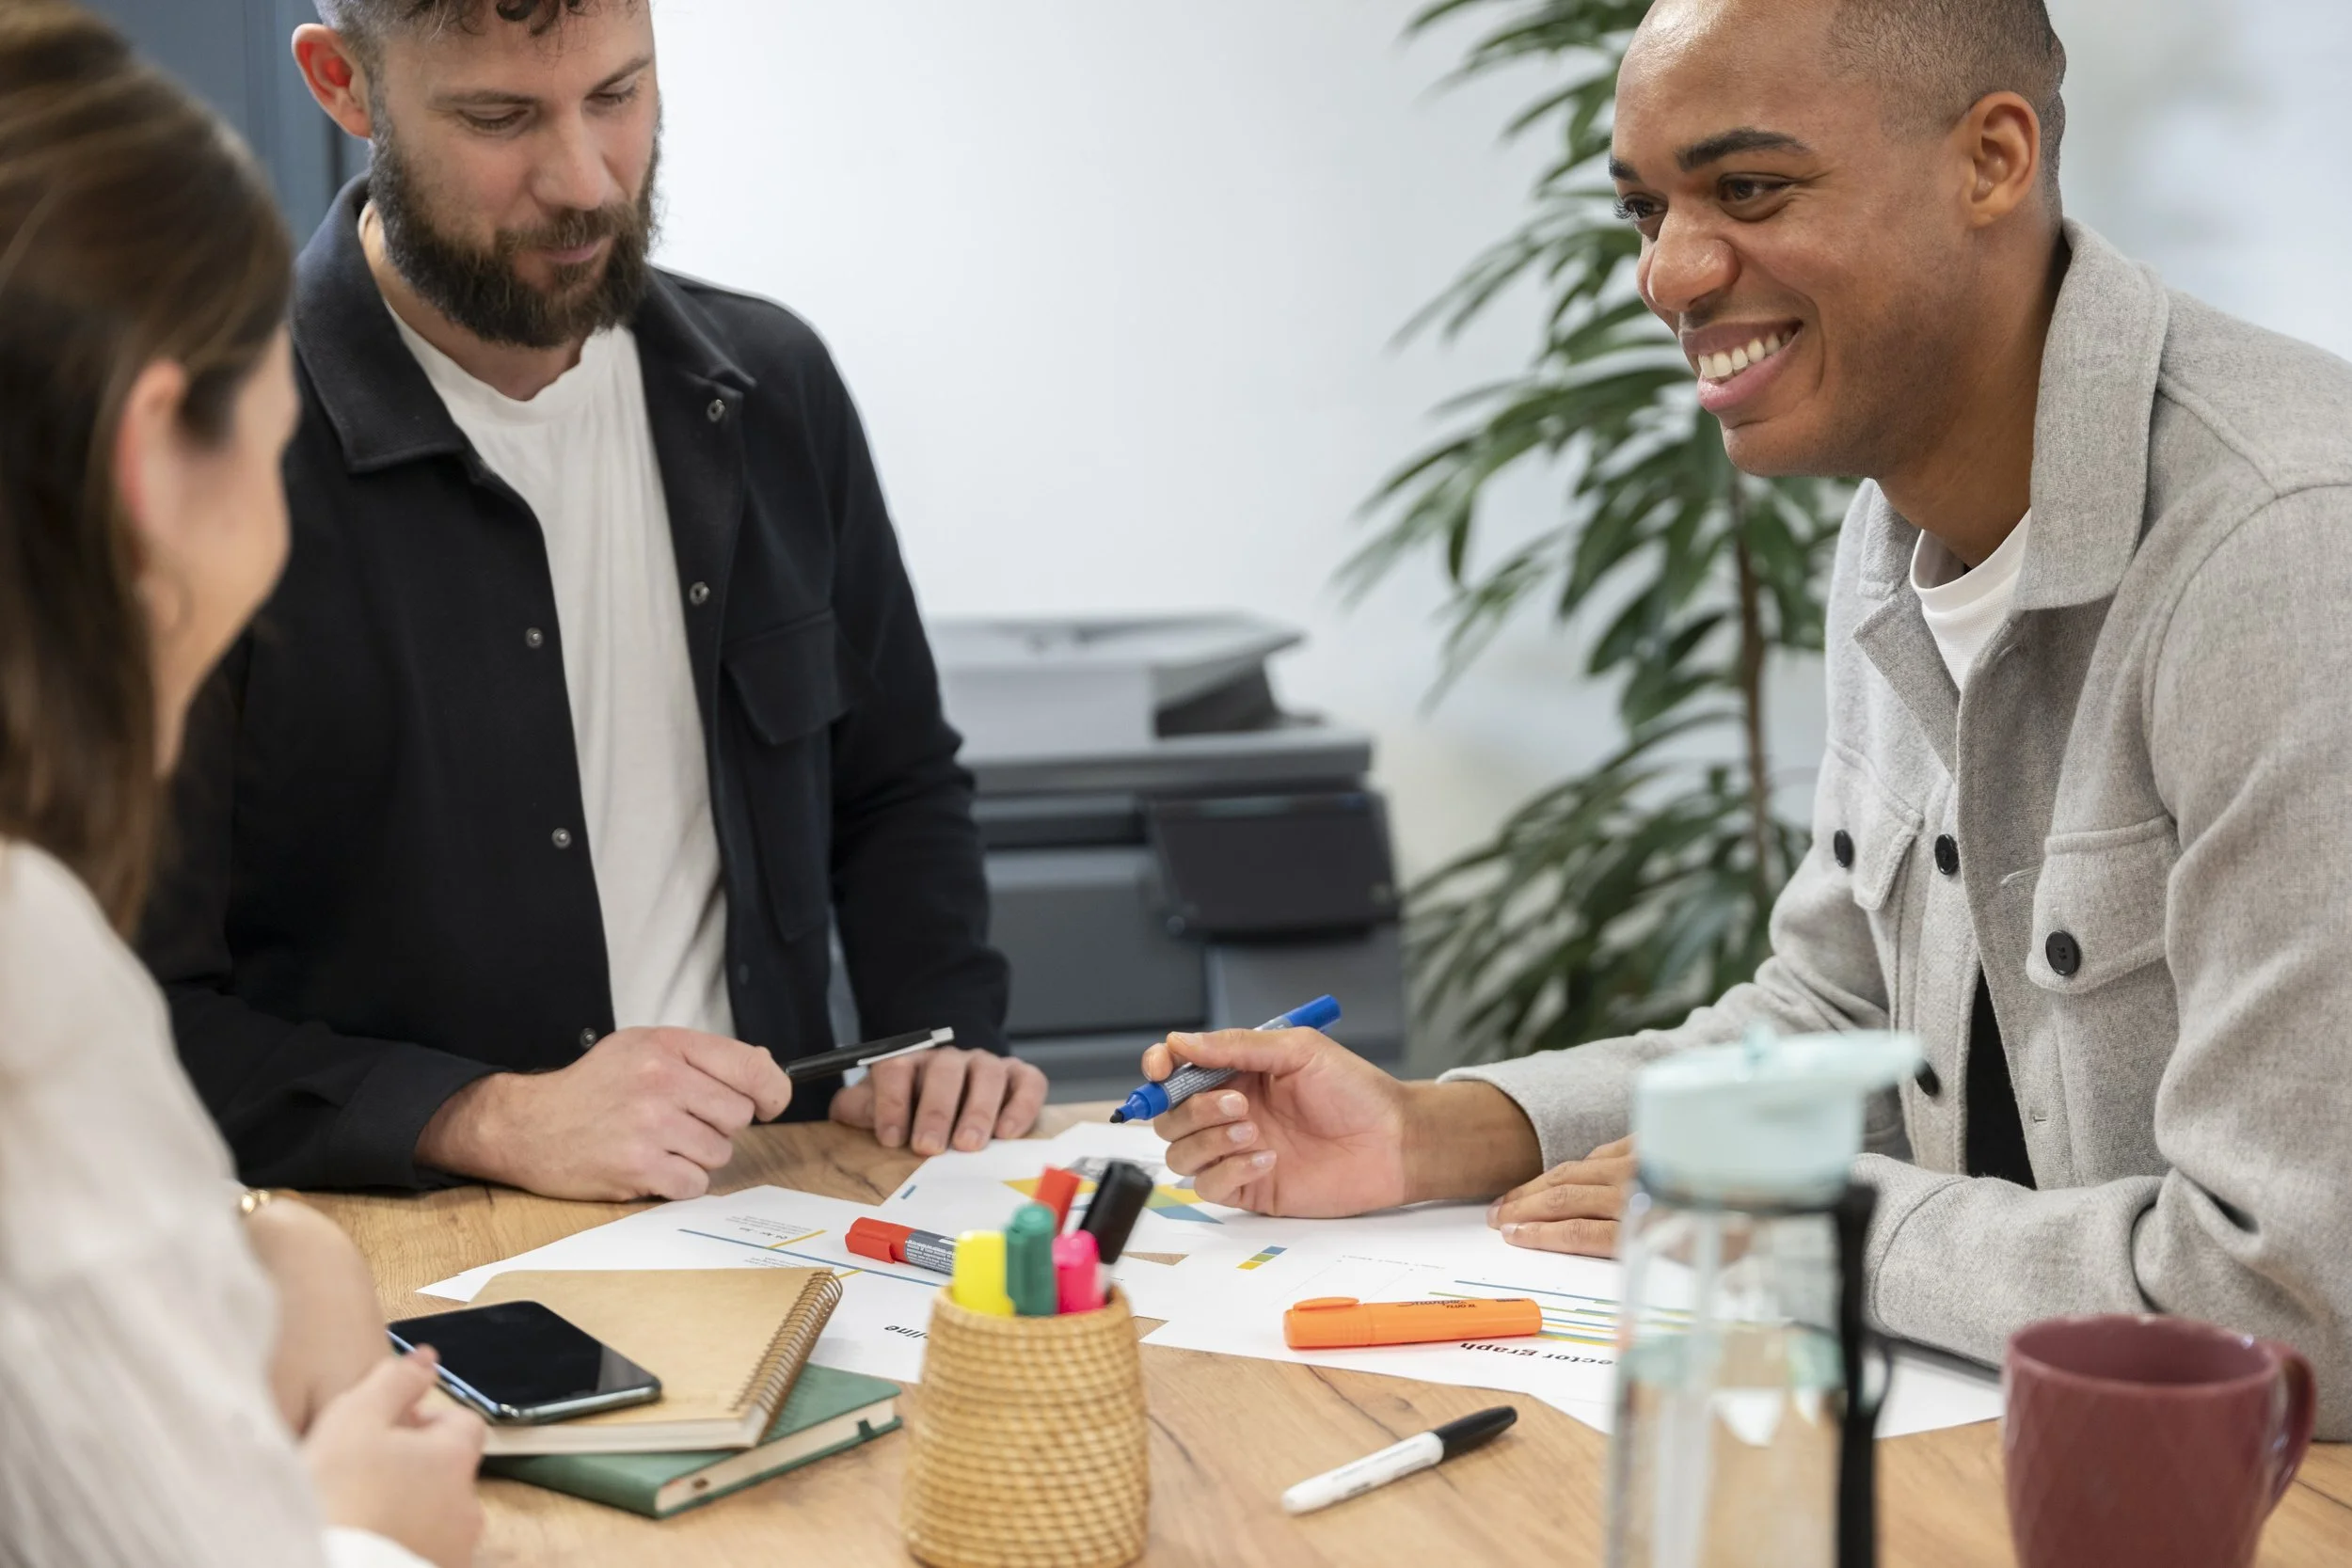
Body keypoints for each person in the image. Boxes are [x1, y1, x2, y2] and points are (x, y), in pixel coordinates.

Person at [1141, 0, 2352, 1433]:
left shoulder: (2285, 548)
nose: (1669, 272)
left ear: (1992, 159)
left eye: (1752, 188)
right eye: (1646, 210)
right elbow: (1838, 1019)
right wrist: (1437, 1128)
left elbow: (2296, 1297)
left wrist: (1799, 1219)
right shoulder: (1892, 531)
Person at [139, 0, 1047, 1201]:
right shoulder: (192, 459)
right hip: (395, 1250)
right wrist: (478, 1115)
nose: (583, 182)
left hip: (781, 1207)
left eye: (617, 96)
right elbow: (124, 1011)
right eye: (498, 117)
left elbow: (896, 787)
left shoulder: (775, 387)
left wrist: (940, 1043)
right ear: (343, 83)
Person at [0, 5, 484, 1563]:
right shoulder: (28, 962)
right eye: (273, 446)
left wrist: (258, 1244)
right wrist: (366, 1522)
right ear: (154, 458)